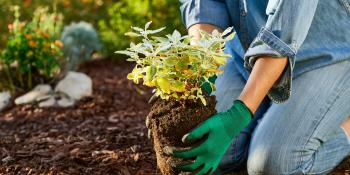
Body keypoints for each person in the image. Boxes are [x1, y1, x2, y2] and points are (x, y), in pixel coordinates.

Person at [164, 0, 350, 174]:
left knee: (273, 165)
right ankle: (269, 116)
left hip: (325, 54)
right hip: (246, 52)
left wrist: (239, 114)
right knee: (208, 146)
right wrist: (203, 68)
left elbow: (283, 33)